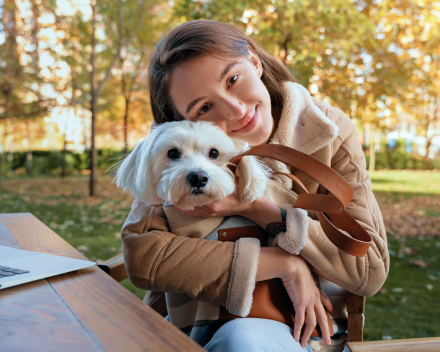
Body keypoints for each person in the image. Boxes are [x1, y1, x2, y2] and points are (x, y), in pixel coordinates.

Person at [121, 20, 389, 352]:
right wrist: (283, 264)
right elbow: (143, 256)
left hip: (308, 337)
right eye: (204, 108)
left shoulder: (330, 132)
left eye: (233, 80)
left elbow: (369, 271)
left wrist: (259, 208)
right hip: (191, 335)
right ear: (181, 121)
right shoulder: (169, 156)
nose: (235, 110)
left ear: (254, 60)